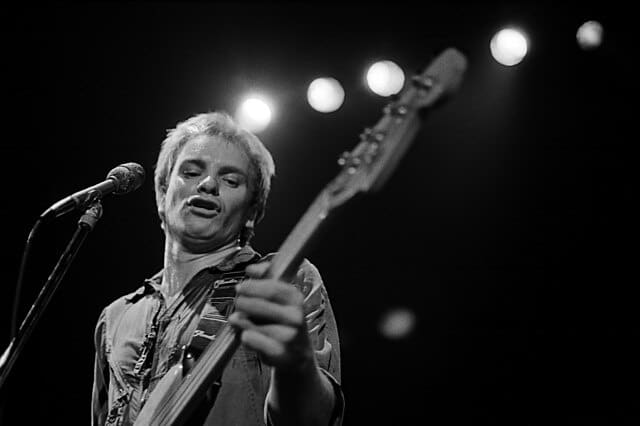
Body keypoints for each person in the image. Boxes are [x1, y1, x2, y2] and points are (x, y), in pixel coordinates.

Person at [91, 111, 343, 426]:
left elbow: (311, 421)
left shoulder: (278, 280)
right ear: (161, 194)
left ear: (252, 212)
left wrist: (297, 362)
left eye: (231, 180)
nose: (208, 184)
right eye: (192, 172)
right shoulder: (116, 317)